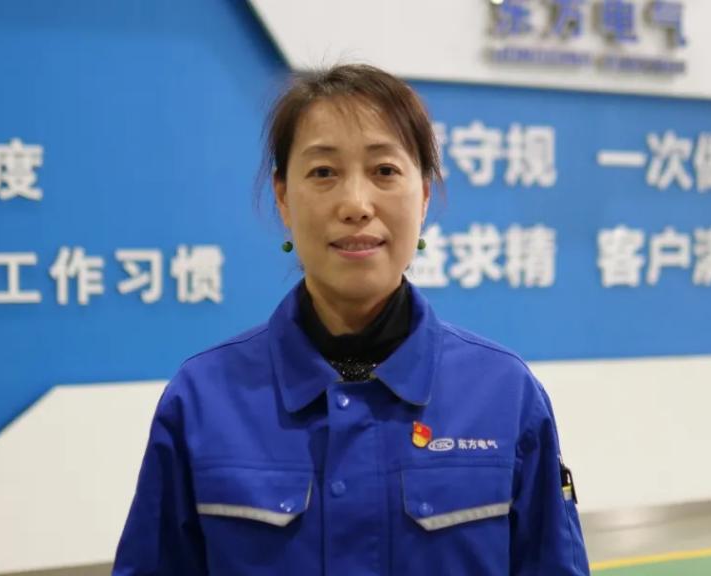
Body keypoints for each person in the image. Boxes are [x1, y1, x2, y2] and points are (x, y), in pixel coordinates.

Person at [113, 63, 589, 575]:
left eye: (385, 171)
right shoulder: (203, 398)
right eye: (324, 172)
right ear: (283, 197)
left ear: (424, 195)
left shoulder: (505, 394)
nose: (356, 205)